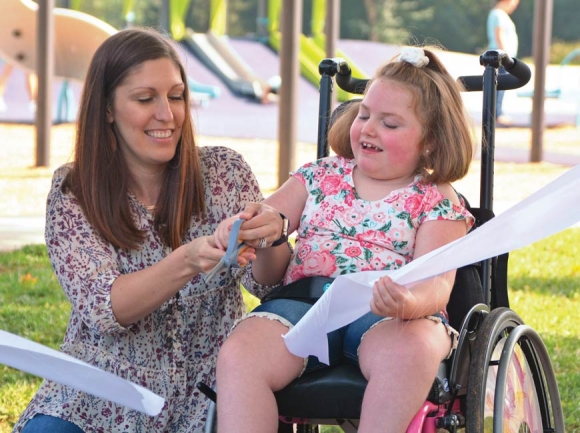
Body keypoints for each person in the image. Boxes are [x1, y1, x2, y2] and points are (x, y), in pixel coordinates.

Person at [14, 27, 280, 432]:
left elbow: (269, 285)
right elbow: (105, 307)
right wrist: (187, 259)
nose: (167, 115)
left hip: (207, 397)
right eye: (145, 99)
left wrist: (270, 235)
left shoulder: (224, 172)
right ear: (106, 108)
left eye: (176, 96)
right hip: (99, 397)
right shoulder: (74, 191)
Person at [214, 46, 476, 432]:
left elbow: (437, 284)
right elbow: (272, 232)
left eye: (389, 123)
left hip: (388, 313)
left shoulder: (437, 199)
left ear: (431, 142)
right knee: (241, 354)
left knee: (412, 349)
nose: (368, 128)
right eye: (364, 114)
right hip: (303, 306)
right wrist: (261, 229)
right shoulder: (319, 176)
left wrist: (409, 301)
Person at [487, 0, 520, 126]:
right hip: (501, 56)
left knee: (500, 85)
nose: (514, 6)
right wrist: (505, 56)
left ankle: (497, 113)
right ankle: (497, 114)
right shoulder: (498, 14)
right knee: (500, 85)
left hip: (501, 55)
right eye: (514, 3)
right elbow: (498, 34)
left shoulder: (498, 14)